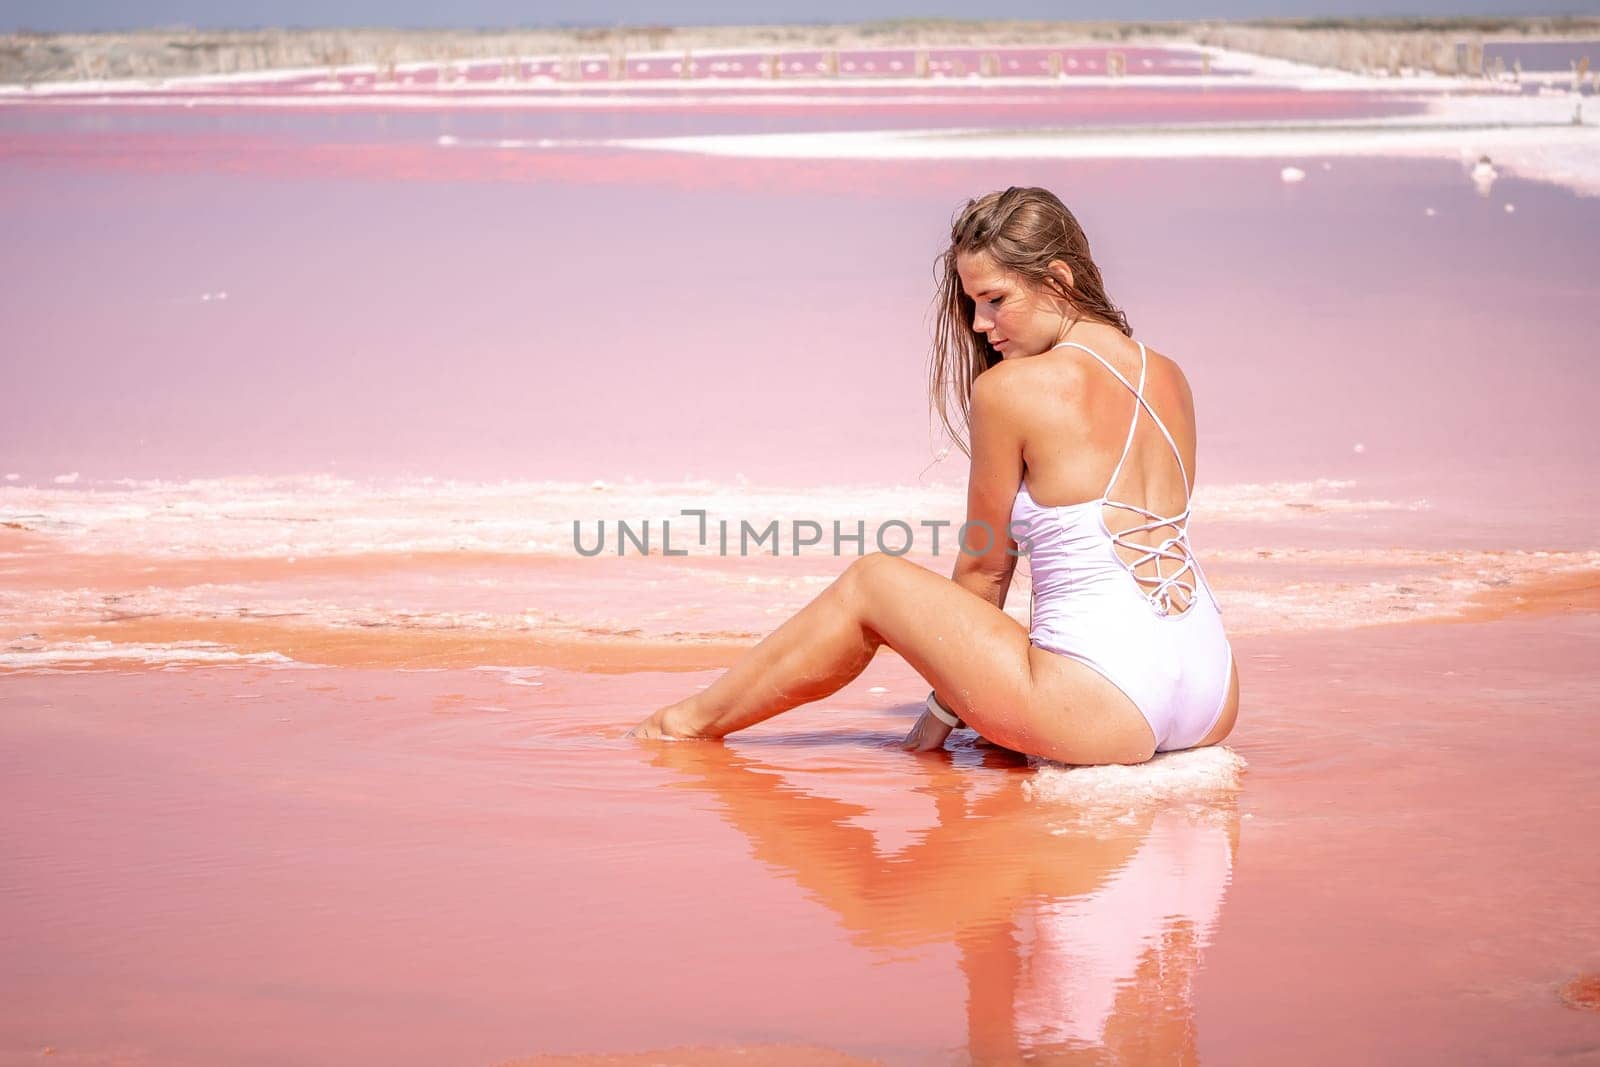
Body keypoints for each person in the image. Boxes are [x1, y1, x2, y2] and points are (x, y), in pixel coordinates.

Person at [631, 186, 1239, 765]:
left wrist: (937, 721)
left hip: (1104, 708)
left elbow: (984, 567)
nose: (979, 324)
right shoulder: (1167, 374)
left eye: (995, 299)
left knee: (873, 581)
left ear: (1058, 279)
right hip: (1210, 694)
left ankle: (681, 725)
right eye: (973, 303)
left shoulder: (1011, 390)